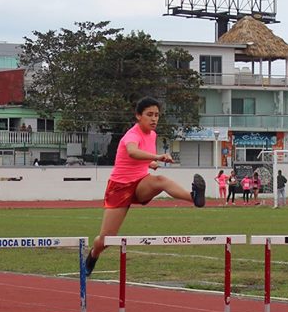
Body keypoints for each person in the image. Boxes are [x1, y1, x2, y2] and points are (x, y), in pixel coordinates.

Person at [83, 98, 205, 276]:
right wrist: (158, 157)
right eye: (149, 115)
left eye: (157, 115)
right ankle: (93, 255)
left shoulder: (152, 135)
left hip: (140, 183)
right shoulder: (132, 135)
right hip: (119, 187)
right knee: (106, 239)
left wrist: (150, 163)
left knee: (160, 180)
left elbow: (137, 158)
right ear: (138, 116)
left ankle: (194, 197)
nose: (154, 119)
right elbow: (132, 152)